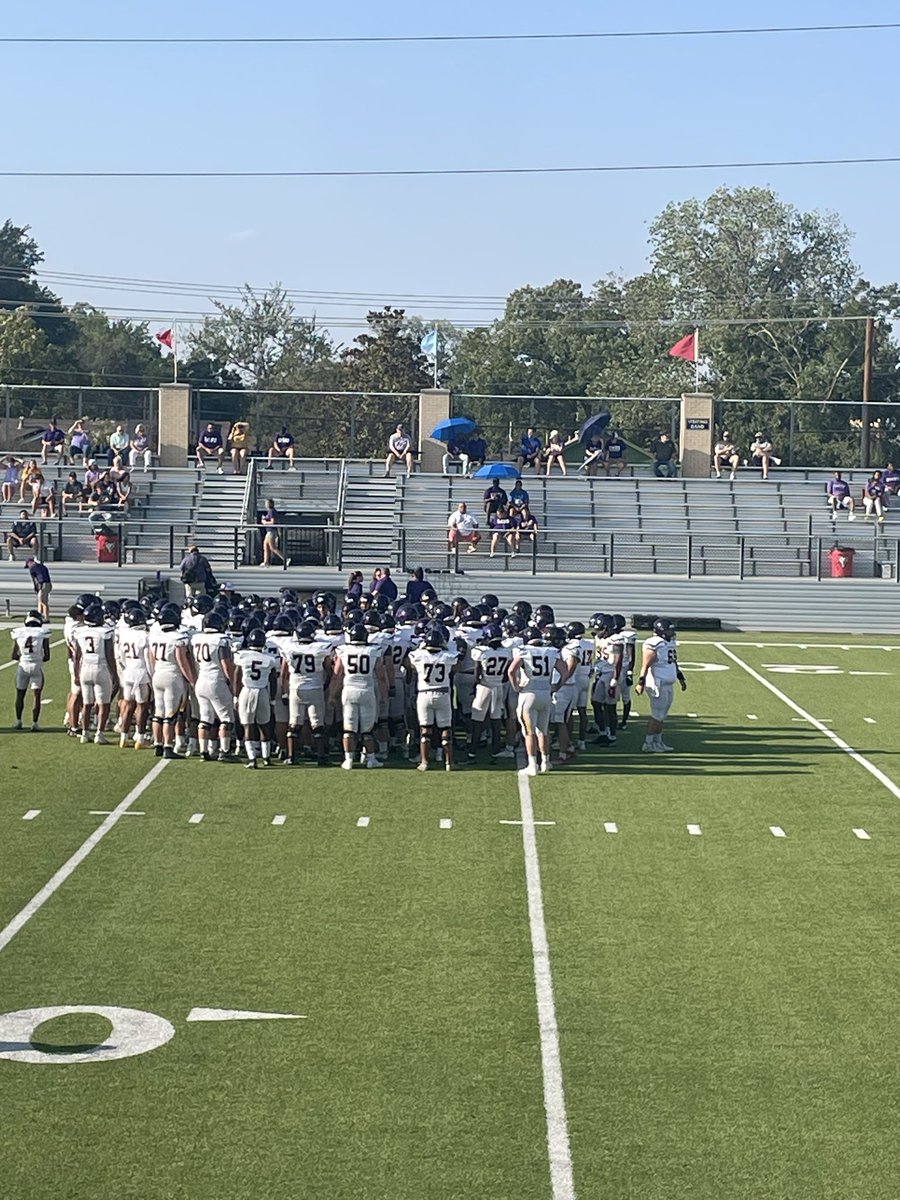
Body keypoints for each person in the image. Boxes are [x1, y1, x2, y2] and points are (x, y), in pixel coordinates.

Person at [507, 627, 568, 776]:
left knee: (529, 732)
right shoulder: (551, 651)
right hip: (545, 694)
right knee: (543, 731)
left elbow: (511, 671)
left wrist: (516, 687)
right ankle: (546, 762)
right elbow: (565, 671)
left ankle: (532, 765)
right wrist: (557, 686)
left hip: (529, 694)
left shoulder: (523, 651)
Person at [331, 623, 387, 769]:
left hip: (349, 691)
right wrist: (384, 694)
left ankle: (348, 760)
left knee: (349, 728)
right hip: (366, 690)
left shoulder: (344, 650)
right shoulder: (373, 651)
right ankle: (371, 759)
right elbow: (381, 676)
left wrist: (332, 694)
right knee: (367, 729)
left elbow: (337, 675)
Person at [407, 628, 461, 771]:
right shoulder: (448, 656)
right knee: (445, 729)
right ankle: (449, 762)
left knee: (425, 729)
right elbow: (457, 666)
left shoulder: (418, 655)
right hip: (442, 693)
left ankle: (424, 762)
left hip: (424, 694)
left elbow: (410, 664)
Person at [282, 620, 333, 767]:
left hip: (296, 689)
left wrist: (284, 691)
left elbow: (284, 674)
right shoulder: (320, 648)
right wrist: (325, 685)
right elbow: (329, 670)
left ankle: (291, 757)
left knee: (294, 723)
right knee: (318, 724)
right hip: (315, 688)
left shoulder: (289, 648)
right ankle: (321, 757)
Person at [635, 618, 686, 753]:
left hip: (667, 684)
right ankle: (648, 743)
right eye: (669, 631)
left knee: (662, 715)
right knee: (657, 715)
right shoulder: (654, 644)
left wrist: (680, 678)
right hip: (658, 684)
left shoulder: (669, 643)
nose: (671, 633)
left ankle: (658, 742)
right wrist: (641, 682)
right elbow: (645, 665)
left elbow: (673, 662)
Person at [233, 628, 280, 768]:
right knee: (264, 725)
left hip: (247, 690)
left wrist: (235, 696)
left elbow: (237, 676)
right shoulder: (269, 659)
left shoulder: (242, 656)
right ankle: (266, 757)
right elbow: (273, 680)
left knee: (248, 725)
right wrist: (272, 699)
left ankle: (252, 758)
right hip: (263, 691)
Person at [73, 602, 118, 744]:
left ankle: (85, 733)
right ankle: (99, 733)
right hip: (101, 667)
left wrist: (76, 673)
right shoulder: (105, 632)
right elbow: (109, 655)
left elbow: (77, 656)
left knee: (87, 704)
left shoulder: (80, 632)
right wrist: (114, 673)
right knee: (104, 704)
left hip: (85, 668)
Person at [10, 610, 51, 732]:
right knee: (36, 696)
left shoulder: (18, 632)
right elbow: (47, 656)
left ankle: (18, 721)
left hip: (23, 665)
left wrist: (24, 657)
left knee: (20, 695)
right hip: (36, 666)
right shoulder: (42, 633)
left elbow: (13, 655)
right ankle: (35, 723)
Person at [260, 499, 285, 567]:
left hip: (271, 531)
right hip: (269, 531)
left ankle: (285, 559)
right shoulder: (270, 512)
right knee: (265, 546)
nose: (265, 504)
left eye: (266, 503)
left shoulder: (272, 511)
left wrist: (265, 522)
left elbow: (272, 522)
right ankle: (265, 562)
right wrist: (265, 519)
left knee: (273, 547)